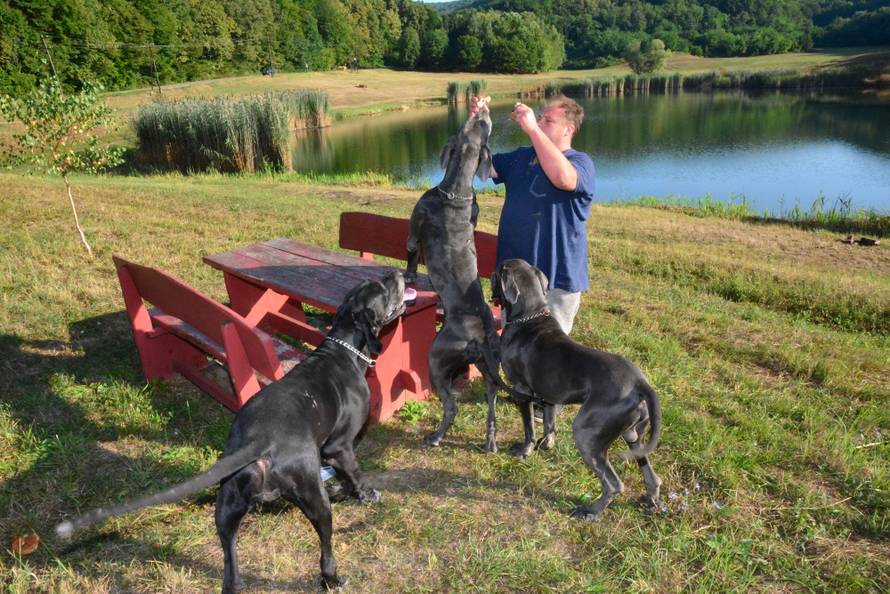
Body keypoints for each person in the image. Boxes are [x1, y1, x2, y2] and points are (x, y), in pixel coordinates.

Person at [470, 95, 595, 335]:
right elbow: (479, 165)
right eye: (540, 118)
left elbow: (563, 179)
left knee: (548, 350)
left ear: (568, 129)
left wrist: (533, 130)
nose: (539, 123)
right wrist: (477, 123)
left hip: (556, 280)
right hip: (515, 279)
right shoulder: (521, 157)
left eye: (548, 120)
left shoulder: (580, 162)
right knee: (513, 345)